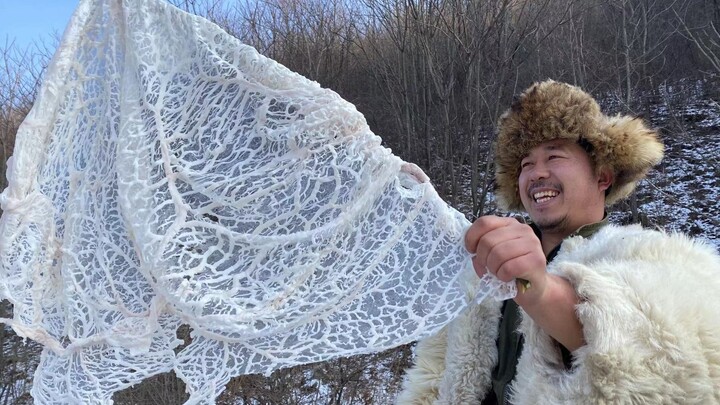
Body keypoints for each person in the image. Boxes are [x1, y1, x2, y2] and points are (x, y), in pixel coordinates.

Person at [396, 80, 720, 404]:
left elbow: (676, 356)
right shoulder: (488, 269)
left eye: (554, 156)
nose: (536, 173)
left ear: (603, 176)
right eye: (526, 164)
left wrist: (543, 292)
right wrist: (430, 221)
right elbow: (432, 377)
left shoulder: (646, 254)